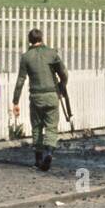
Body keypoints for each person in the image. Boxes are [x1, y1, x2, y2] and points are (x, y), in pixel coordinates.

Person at [12, 27, 68, 171]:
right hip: (51, 95)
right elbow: (64, 74)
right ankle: (49, 153)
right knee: (51, 126)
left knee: (36, 127)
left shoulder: (26, 57)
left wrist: (15, 101)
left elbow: (20, 81)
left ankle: (37, 160)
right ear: (42, 38)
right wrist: (62, 86)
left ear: (29, 40)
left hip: (36, 96)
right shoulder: (52, 53)